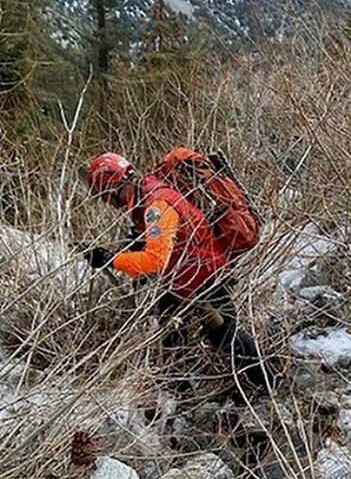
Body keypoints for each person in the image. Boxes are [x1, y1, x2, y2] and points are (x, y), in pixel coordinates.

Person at [83, 151, 267, 388]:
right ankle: (180, 388)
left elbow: (155, 260)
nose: (107, 203)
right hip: (190, 274)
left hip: (202, 275)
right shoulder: (148, 191)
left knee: (224, 337)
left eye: (104, 196)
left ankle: (268, 384)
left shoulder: (156, 206)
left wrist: (111, 260)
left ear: (112, 189)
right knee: (171, 324)